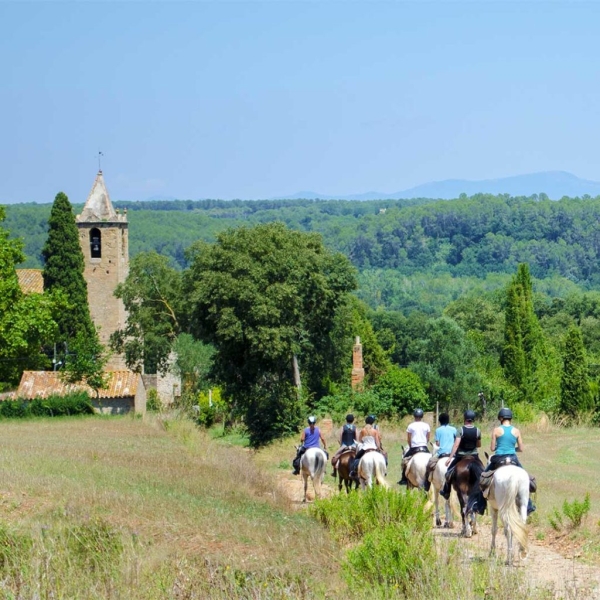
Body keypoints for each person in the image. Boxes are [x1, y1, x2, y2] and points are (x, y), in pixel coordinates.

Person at [482, 407, 536, 514]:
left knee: (483, 478)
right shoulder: (516, 431)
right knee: (528, 479)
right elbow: (521, 448)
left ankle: (480, 503)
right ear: (510, 418)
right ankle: (528, 505)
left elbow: (492, 448)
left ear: (501, 418)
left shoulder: (496, 430)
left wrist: (500, 447)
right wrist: (512, 449)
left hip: (499, 459)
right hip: (513, 459)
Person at [440, 410, 481, 499]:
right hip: (474, 456)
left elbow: (456, 445)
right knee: (483, 473)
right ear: (473, 419)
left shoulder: (460, 430)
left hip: (461, 456)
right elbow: (478, 445)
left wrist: (450, 458)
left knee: (448, 473)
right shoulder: (478, 430)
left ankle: (446, 491)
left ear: (465, 419)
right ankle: (484, 493)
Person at [423, 413, 456, 492]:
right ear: (448, 420)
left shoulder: (438, 430)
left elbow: (437, 444)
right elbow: (456, 441)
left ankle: (427, 483)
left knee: (429, 464)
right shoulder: (454, 429)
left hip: (442, 453)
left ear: (440, 421)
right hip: (453, 454)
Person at [398, 408, 430, 485]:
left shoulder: (410, 426)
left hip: (414, 448)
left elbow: (409, 439)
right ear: (422, 416)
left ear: (414, 416)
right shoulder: (426, 425)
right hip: (424, 447)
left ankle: (404, 479)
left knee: (404, 460)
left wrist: (411, 446)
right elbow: (428, 438)